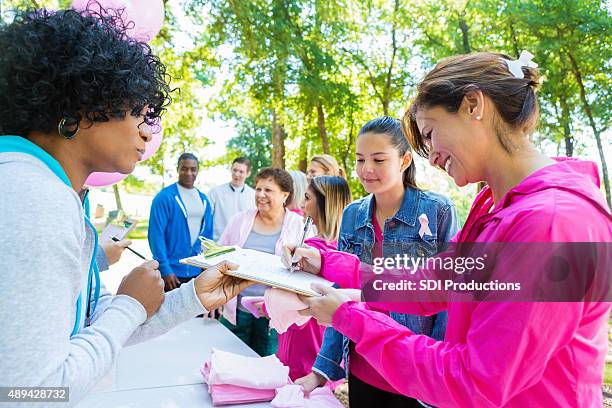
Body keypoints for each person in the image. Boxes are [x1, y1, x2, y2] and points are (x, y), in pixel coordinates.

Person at [291, 52, 612, 407]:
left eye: (430, 133)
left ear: (474, 105)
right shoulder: (496, 207)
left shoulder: (550, 224)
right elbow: (435, 280)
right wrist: (328, 264)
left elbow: (476, 381)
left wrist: (351, 318)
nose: (432, 157)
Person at [0, 7, 251, 405]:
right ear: (82, 103)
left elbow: (86, 327)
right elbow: (29, 393)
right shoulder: (32, 197)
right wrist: (130, 305)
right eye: (137, 111)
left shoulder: (42, 188)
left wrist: (193, 297)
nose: (145, 132)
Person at [289, 117, 458, 407]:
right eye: (360, 159)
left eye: (379, 160)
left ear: (404, 160)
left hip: (414, 375)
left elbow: (448, 301)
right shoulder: (352, 215)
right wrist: (321, 370)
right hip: (363, 369)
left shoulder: (437, 211)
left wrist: (438, 380)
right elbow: (337, 297)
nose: (366, 169)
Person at [217, 167, 307, 356]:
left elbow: (306, 272)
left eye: (268, 190)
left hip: (273, 316)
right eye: (258, 189)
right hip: (237, 310)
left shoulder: (298, 226)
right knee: (229, 362)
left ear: (285, 195)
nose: (261, 195)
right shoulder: (239, 220)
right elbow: (219, 256)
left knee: (265, 368)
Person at [275, 175, 352, 381]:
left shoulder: (317, 252)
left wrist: (268, 306)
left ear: (324, 203)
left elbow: (297, 296)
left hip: (304, 336)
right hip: (321, 340)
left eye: (307, 198)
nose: (301, 204)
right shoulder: (344, 249)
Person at [148, 153, 214, 291]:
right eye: (184, 168)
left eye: (193, 169)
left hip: (196, 271)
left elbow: (208, 237)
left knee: (193, 312)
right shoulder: (164, 197)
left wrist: (206, 267)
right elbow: (156, 235)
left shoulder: (204, 200)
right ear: (178, 169)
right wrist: (165, 268)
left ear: (198, 171)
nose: (189, 173)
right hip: (171, 272)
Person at [208, 157, 256, 241]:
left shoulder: (253, 195)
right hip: (218, 243)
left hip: (243, 244)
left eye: (241, 172)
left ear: (248, 174)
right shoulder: (216, 192)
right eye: (235, 170)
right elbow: (206, 217)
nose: (237, 174)